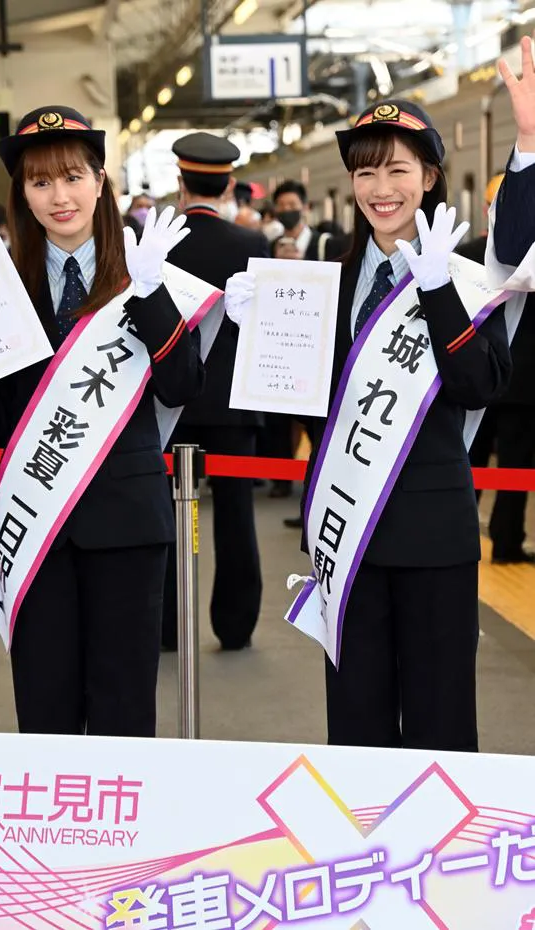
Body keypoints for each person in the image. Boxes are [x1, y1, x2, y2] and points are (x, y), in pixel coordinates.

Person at [226, 99, 511, 751]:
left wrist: (436, 290)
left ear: (432, 177)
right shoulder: (330, 282)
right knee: (357, 719)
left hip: (435, 535)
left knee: (441, 718)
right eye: (365, 174)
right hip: (348, 531)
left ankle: (439, 854)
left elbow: (480, 386)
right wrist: (253, 334)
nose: (381, 191)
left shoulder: (468, 278)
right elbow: (295, 403)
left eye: (398, 171)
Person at [0, 106, 204, 737]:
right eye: (40, 182)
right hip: (36, 520)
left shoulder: (143, 269)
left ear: (101, 180)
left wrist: (152, 298)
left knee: (125, 705)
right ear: (21, 192)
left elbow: (184, 386)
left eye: (72, 177)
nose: (59, 196)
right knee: (43, 706)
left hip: (127, 522)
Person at [164, 131, 269, 651]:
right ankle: (234, 625)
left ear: (180, 182)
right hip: (233, 404)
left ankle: (163, 625)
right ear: (228, 185)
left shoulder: (155, 243)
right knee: (234, 517)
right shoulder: (250, 244)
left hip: (167, 406)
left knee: (165, 514)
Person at [459, 173, 535, 563]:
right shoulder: (532, 260)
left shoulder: (466, 253)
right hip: (523, 387)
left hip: (476, 378)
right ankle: (507, 545)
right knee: (515, 469)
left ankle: (454, 541)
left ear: (488, 209)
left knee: (466, 464)